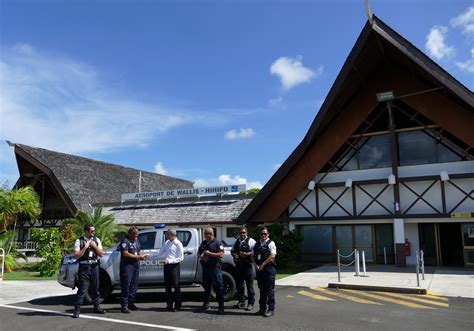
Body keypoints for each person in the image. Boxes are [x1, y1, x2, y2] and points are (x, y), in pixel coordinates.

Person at [72, 224, 106, 318]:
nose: (93, 233)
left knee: (95, 287)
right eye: (91, 231)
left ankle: (96, 306)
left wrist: (94, 246)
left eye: (94, 231)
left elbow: (101, 254)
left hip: (94, 266)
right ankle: (77, 309)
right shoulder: (79, 241)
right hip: (84, 267)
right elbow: (77, 255)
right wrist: (85, 247)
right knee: (83, 288)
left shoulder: (96, 240)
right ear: (86, 231)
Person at [118, 226, 147, 313]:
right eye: (134, 234)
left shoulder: (136, 240)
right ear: (130, 233)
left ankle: (131, 303)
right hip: (127, 266)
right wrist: (138, 256)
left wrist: (142, 255)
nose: (136, 236)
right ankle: (124, 305)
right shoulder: (125, 241)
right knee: (126, 285)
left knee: (134, 285)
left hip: (135, 265)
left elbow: (137, 251)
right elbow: (125, 253)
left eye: (137, 234)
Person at [155, 227, 184, 312]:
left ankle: (178, 305)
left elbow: (181, 258)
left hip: (174, 266)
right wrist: (149, 256)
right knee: (167, 286)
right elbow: (160, 253)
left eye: (167, 234)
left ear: (172, 235)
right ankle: (169, 305)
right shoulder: (167, 242)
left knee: (176, 286)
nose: (166, 235)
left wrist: (170, 261)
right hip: (166, 266)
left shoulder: (178, 244)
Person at [197, 228, 225, 315]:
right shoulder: (204, 243)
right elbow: (199, 252)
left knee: (218, 287)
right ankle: (206, 304)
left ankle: (221, 307)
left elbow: (221, 254)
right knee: (206, 287)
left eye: (206, 233)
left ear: (211, 233)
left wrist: (209, 254)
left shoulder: (218, 243)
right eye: (205, 233)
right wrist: (201, 256)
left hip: (214, 269)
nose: (205, 235)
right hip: (206, 269)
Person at [252, 227, 277, 318]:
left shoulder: (271, 243)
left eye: (265, 234)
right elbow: (252, 255)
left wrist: (263, 264)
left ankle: (271, 309)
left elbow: (272, 255)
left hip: (269, 269)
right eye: (262, 234)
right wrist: (255, 264)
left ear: (268, 235)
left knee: (269, 290)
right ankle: (262, 309)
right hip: (259, 270)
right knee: (262, 290)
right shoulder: (257, 244)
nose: (263, 235)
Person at [231, 226, 256, 311]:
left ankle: (250, 303)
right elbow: (232, 250)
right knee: (239, 285)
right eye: (241, 233)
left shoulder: (251, 241)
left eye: (244, 232)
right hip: (238, 265)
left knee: (249, 285)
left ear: (246, 233)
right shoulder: (236, 241)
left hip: (248, 265)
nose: (242, 234)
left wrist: (247, 254)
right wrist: (234, 255)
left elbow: (255, 251)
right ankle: (241, 302)